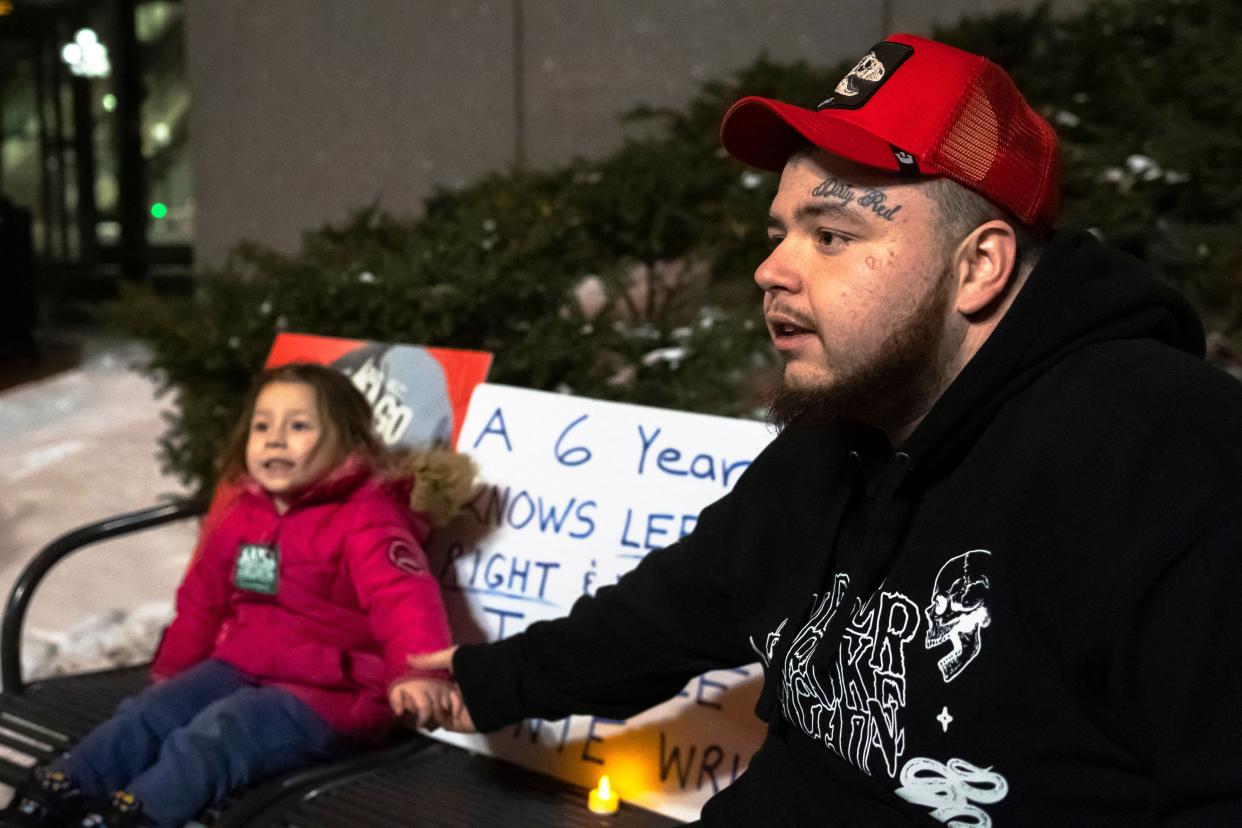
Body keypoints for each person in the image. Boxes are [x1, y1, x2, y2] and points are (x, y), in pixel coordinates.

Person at [410, 33, 1242, 825]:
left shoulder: (1170, 453)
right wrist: (482, 682)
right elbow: (667, 615)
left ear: (978, 266)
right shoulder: (837, 432)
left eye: (833, 235)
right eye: (779, 233)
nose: (771, 269)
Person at [2, 363, 457, 827]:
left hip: (331, 694)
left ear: (351, 443)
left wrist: (419, 672)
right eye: (263, 426)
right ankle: (63, 788)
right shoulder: (247, 512)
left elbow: (402, 598)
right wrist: (175, 673)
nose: (275, 439)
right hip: (243, 665)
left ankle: (141, 814)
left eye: (299, 426)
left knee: (219, 734)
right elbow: (203, 599)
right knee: (150, 713)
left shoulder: (366, 517)